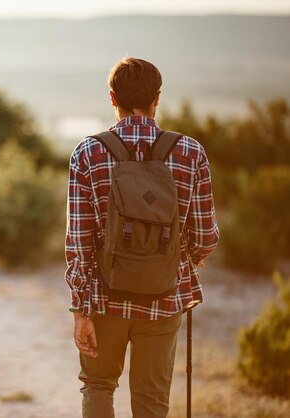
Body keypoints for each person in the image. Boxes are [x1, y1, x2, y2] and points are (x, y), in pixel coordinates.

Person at [65, 57, 219, 417]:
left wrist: (79, 308)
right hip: (164, 298)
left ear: (112, 97)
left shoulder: (88, 153)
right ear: (157, 98)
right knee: (151, 401)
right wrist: (179, 261)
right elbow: (205, 236)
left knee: (99, 385)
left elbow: (79, 243)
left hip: (105, 297)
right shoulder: (190, 152)